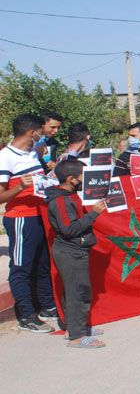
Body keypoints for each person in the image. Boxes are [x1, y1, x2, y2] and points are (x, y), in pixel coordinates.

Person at [0, 114, 58, 332]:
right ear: (30, 132)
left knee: (43, 264)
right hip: (20, 218)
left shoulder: (32, 154)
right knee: (22, 267)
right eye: (41, 133)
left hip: (40, 215)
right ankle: (26, 315)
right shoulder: (5, 157)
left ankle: (47, 306)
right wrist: (19, 188)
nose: (42, 136)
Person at [45, 160, 107, 348]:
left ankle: (73, 327)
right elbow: (69, 230)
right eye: (83, 177)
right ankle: (77, 336)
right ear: (72, 179)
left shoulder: (70, 196)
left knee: (74, 290)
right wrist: (93, 214)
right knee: (77, 292)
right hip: (70, 251)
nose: (86, 180)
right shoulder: (61, 200)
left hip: (75, 250)